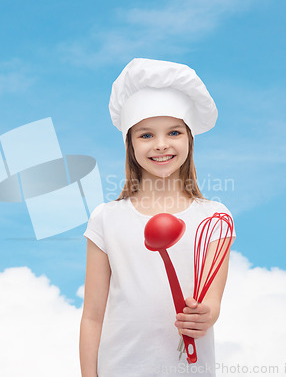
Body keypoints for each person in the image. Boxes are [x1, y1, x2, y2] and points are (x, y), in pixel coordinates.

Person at [79, 58, 237, 377]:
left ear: (189, 139)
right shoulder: (106, 219)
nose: (161, 145)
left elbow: (212, 302)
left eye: (174, 132)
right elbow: (93, 315)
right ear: (130, 144)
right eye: (146, 135)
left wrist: (205, 315)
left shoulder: (215, 218)